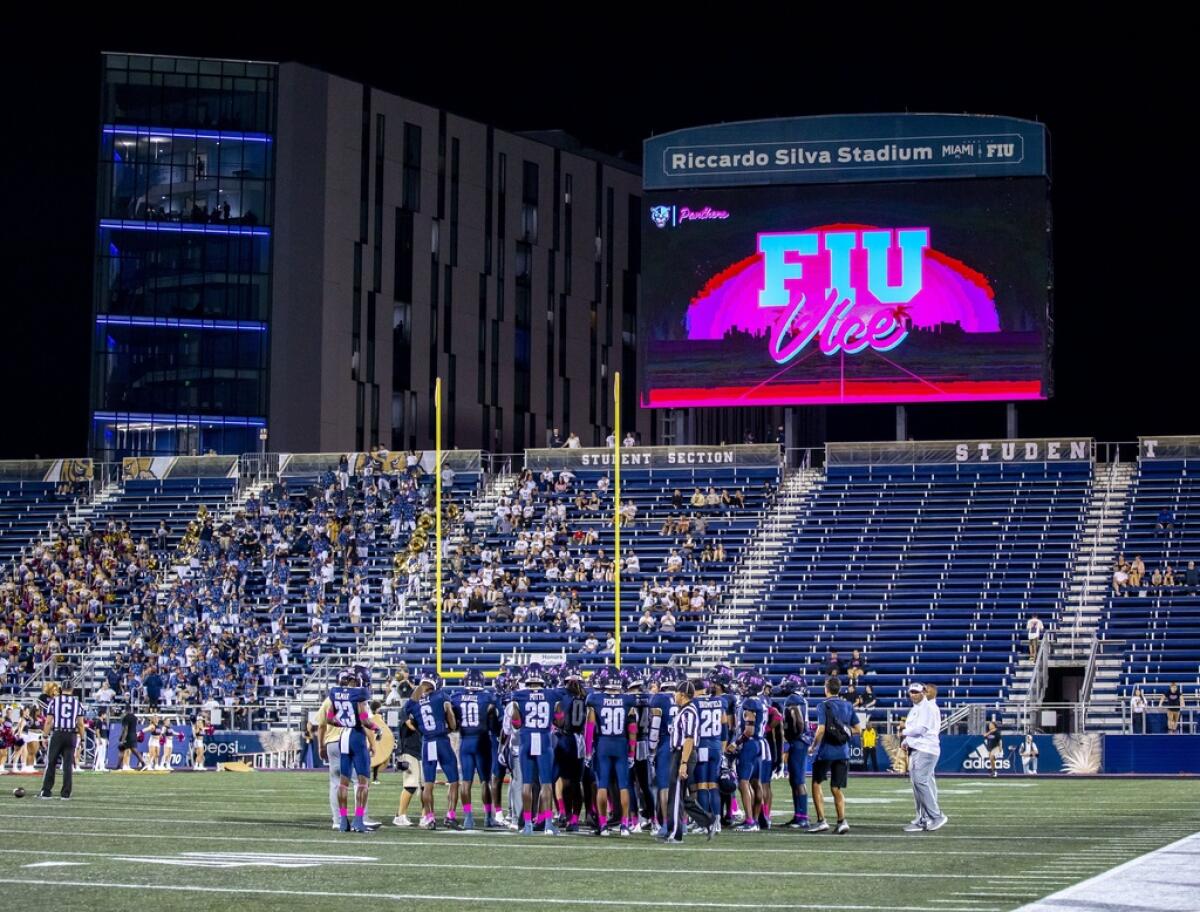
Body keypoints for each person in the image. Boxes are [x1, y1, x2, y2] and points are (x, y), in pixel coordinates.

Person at [321, 668, 383, 833]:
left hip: (343, 736)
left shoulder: (335, 692)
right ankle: (358, 820)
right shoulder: (360, 693)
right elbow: (364, 719)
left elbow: (329, 719)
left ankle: (342, 821)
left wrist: (342, 723)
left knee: (343, 783)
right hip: (356, 736)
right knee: (362, 783)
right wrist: (377, 729)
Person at [658, 680, 717, 843]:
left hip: (683, 754)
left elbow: (689, 739)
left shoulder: (688, 712)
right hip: (681, 754)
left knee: (676, 795)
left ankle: (675, 834)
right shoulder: (684, 710)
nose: (674, 695)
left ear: (682, 694)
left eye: (676, 692)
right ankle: (708, 820)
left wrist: (683, 763)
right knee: (680, 796)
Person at [404, 670, 461, 829]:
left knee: (428, 784)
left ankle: (429, 818)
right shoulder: (441, 696)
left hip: (427, 742)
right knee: (454, 781)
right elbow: (452, 721)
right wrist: (450, 727)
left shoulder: (412, 704)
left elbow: (412, 722)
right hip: (441, 740)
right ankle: (450, 816)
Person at [511, 664, 562, 835]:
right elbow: (559, 721)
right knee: (546, 784)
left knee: (527, 784)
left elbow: (516, 724)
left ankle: (527, 824)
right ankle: (547, 823)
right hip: (544, 740)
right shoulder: (552, 695)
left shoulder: (519, 695)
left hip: (526, 740)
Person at [585, 667, 637, 837]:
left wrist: (587, 750)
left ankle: (603, 825)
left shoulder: (595, 699)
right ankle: (624, 825)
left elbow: (590, 727)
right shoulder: (627, 700)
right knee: (623, 785)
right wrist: (631, 751)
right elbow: (632, 728)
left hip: (603, 744)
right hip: (621, 744)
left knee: (602, 785)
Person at [807, 675, 859, 834]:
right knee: (836, 788)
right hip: (843, 752)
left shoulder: (823, 706)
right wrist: (844, 732)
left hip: (826, 751)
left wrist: (813, 746)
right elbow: (858, 730)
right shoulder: (848, 705)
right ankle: (842, 821)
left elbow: (821, 729)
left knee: (816, 783)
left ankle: (822, 820)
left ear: (826, 689)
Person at [451, 669, 498, 829]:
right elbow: (495, 712)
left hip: (465, 742)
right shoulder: (487, 697)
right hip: (482, 741)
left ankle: (468, 818)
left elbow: (452, 717)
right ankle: (487, 817)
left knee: (466, 781)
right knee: (485, 781)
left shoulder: (456, 697)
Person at [901, 682, 947, 831]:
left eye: (917, 691)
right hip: (919, 748)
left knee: (920, 782)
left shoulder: (928, 707)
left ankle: (935, 816)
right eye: (911, 692)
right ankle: (924, 818)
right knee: (921, 783)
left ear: (923, 693)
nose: (913, 694)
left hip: (925, 749)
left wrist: (904, 732)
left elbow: (921, 729)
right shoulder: (919, 708)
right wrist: (906, 740)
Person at [38, 684, 84, 800]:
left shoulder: (54, 702)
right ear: (72, 689)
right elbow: (80, 724)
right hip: (71, 734)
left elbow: (48, 722)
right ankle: (66, 793)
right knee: (68, 765)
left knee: (51, 762)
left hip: (58, 733)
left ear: (61, 689)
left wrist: (44, 736)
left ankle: (46, 791)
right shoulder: (77, 703)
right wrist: (82, 738)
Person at [777, 674, 811, 828]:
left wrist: (796, 733)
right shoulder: (799, 698)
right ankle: (798, 815)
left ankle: (803, 817)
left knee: (798, 780)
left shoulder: (793, 699)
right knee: (794, 780)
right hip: (800, 742)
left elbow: (798, 719)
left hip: (798, 742)